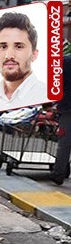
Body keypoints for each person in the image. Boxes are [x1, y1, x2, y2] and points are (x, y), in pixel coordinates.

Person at [0, 12, 48, 112]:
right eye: (3, 47)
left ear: (34, 54)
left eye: (19, 47)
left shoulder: (45, 94)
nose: (9, 56)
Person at [51, 54, 71, 185]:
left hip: (67, 107)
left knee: (64, 142)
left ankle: (58, 173)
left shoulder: (65, 61)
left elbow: (57, 83)